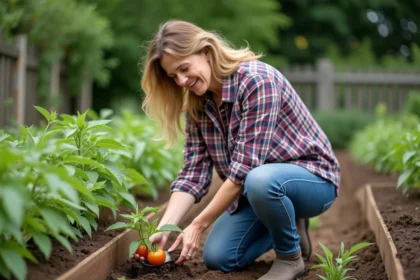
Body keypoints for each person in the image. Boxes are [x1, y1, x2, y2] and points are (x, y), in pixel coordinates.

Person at [140, 19, 341, 280]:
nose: (180, 81)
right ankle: (287, 221)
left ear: (206, 53)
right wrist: (167, 226)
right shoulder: (198, 107)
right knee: (217, 257)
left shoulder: (257, 81)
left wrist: (198, 224)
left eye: (184, 68)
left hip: (313, 179)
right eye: (172, 76)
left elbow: (245, 171)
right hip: (257, 191)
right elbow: (193, 174)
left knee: (260, 179)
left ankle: (290, 259)